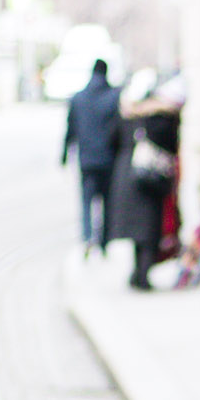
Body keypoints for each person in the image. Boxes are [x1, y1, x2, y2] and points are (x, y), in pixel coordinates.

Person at [111, 71, 186, 290]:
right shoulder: (163, 115)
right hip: (152, 176)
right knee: (150, 228)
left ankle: (138, 273)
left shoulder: (127, 113)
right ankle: (142, 275)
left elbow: (113, 139)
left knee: (139, 230)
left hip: (129, 173)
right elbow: (170, 145)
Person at [61, 57, 122, 255]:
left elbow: (70, 130)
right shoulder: (114, 97)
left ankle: (87, 237)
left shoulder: (78, 98)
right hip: (109, 159)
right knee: (107, 201)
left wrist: (63, 154)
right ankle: (104, 240)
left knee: (86, 200)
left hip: (86, 159)